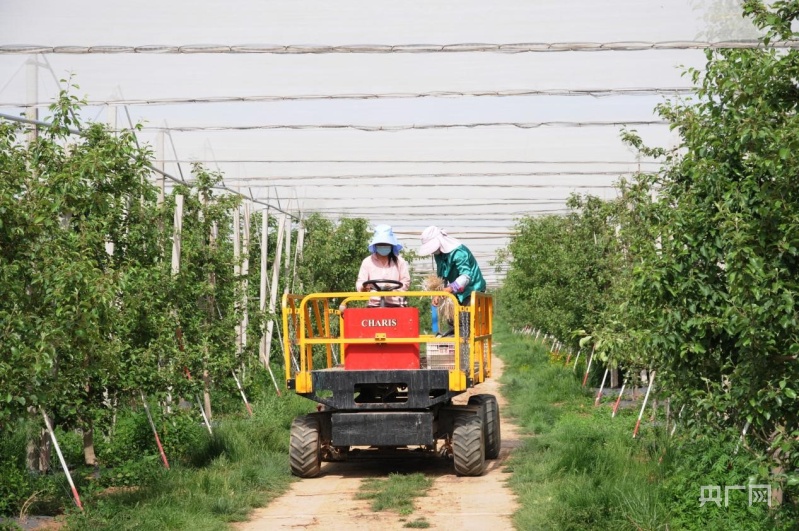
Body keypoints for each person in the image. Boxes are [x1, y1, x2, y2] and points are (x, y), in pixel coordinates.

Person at [418, 225, 486, 306]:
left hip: (473, 289)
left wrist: (449, 289)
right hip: (456, 291)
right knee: (452, 317)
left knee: (467, 315)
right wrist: (438, 294)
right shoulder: (439, 255)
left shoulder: (459, 252)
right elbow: (442, 277)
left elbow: (466, 276)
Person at [355, 225, 411, 307]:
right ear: (375, 245)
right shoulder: (367, 262)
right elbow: (361, 281)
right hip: (374, 305)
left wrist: (393, 289)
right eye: (381, 244)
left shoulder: (400, 261)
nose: (383, 246)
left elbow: (405, 281)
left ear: (391, 245)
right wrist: (363, 288)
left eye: (386, 244)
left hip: (397, 305)